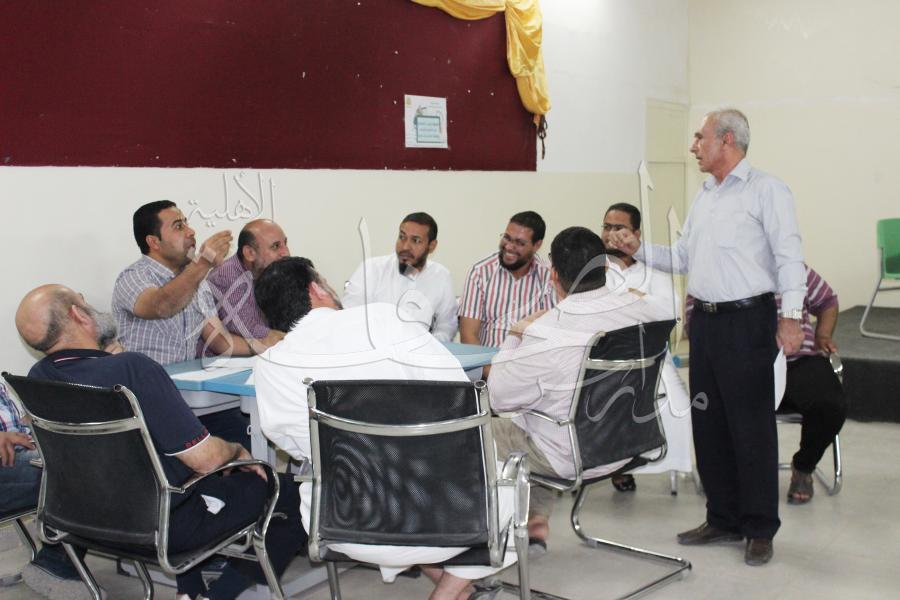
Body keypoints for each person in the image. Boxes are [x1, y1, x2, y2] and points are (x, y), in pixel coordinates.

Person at [14, 284, 305, 600]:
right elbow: (206, 460)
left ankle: (189, 593)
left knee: (185, 478)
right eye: (81, 299)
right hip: (165, 527)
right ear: (78, 315)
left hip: (86, 526)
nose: (87, 302)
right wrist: (236, 450)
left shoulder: (38, 377)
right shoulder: (133, 369)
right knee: (294, 495)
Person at [607, 108, 806, 566]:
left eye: (701, 137)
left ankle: (759, 528)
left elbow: (789, 256)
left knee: (751, 428)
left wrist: (792, 317)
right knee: (709, 424)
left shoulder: (767, 190)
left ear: (727, 140)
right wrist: (638, 250)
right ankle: (723, 518)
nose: (694, 146)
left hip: (748, 320)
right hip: (707, 323)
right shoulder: (705, 195)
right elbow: (683, 258)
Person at [253, 257, 516, 600]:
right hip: (451, 515)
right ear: (316, 289)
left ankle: (457, 590)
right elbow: (458, 403)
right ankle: (446, 594)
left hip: (346, 521)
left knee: (367, 473)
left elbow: (294, 445)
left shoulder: (270, 365)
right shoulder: (386, 319)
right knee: (508, 482)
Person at [488, 227, 671, 549]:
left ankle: (471, 544)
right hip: (629, 444)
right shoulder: (648, 311)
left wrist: (516, 335)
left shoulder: (547, 331)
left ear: (554, 275)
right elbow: (661, 308)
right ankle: (536, 518)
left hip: (572, 456)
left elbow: (498, 398)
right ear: (605, 267)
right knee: (542, 414)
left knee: (477, 430)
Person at [112, 201, 282, 446]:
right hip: (146, 401)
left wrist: (268, 343)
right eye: (178, 226)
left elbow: (221, 341)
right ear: (154, 242)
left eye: (187, 223)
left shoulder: (196, 282)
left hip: (185, 397)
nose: (191, 231)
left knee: (253, 433)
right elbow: (161, 306)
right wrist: (203, 263)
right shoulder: (133, 277)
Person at [685, 264, 846, 505]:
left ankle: (803, 466)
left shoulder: (791, 267)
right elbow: (694, 323)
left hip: (798, 360)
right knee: (718, 410)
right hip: (741, 364)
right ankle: (725, 479)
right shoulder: (713, 269)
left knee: (831, 405)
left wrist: (822, 335)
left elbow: (827, 301)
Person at [600, 203, 693, 492]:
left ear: (636, 234)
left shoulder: (655, 270)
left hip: (652, 355)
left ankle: (662, 461)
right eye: (607, 227)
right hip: (604, 357)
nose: (611, 234)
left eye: (619, 228)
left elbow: (669, 311)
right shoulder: (593, 269)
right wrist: (637, 300)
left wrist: (622, 302)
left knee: (678, 406)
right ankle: (616, 464)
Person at [342, 212, 457, 341]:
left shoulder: (441, 277)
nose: (405, 246)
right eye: (402, 237)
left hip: (420, 351)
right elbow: (348, 316)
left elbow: (447, 326)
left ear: (432, 246)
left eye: (416, 241)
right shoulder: (371, 269)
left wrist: (429, 345)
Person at [459, 211, 555, 348]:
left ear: (537, 245)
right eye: (507, 238)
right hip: (487, 358)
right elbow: (468, 335)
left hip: (530, 359)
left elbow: (553, 335)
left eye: (520, 243)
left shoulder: (549, 278)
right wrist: (489, 363)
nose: (509, 247)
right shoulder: (480, 272)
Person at [207, 219, 290, 340]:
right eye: (275, 246)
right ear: (250, 253)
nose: (286, 252)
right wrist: (295, 340)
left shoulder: (271, 273)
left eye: (285, 243)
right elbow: (249, 331)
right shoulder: (225, 276)